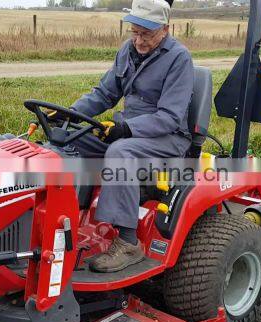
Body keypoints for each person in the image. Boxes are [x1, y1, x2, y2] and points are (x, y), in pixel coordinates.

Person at [68, 0, 194, 273]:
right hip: (131, 129)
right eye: (135, 33)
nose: (139, 41)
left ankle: (128, 242)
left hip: (168, 137)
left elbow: (170, 117)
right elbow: (104, 94)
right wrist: (71, 114)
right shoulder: (127, 51)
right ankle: (68, 216)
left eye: (146, 34)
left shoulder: (179, 59)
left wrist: (127, 129)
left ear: (165, 29)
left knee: (120, 152)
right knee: (72, 137)